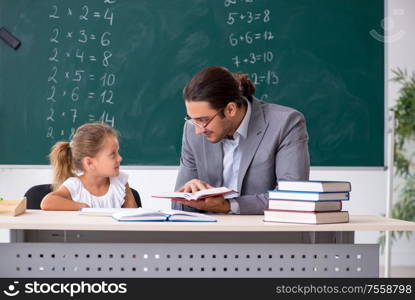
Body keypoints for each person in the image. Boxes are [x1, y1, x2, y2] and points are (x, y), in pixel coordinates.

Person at [172, 66, 310, 214]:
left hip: (264, 232)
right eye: (193, 120)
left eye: (203, 120)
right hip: (209, 233)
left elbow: (292, 196)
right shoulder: (192, 130)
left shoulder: (286, 123)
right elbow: (178, 207)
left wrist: (227, 206)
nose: (198, 130)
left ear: (230, 109)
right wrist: (188, 194)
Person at [41, 122, 138, 210]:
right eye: (113, 154)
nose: (120, 158)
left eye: (118, 152)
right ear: (89, 163)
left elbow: (133, 216)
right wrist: (83, 207)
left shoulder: (120, 181)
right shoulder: (75, 186)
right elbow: (47, 202)